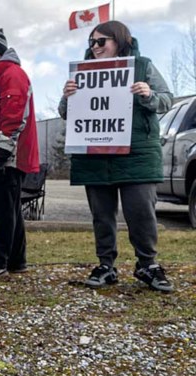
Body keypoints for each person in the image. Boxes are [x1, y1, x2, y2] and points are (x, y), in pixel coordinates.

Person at [59, 20, 174, 292]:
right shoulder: (83, 73)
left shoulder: (142, 66)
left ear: (119, 40)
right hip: (94, 155)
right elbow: (66, 112)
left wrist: (148, 94)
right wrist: (67, 98)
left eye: (101, 41)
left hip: (136, 153)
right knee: (101, 214)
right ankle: (106, 265)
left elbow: (167, 99)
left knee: (141, 212)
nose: (95, 47)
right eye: (92, 42)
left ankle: (148, 264)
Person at [0, 28, 40, 281]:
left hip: (9, 154)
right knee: (11, 208)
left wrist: (0, 154)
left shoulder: (11, 75)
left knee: (3, 210)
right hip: (10, 153)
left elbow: (13, 117)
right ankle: (16, 259)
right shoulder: (3, 76)